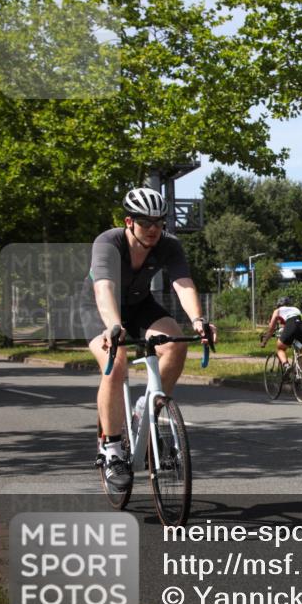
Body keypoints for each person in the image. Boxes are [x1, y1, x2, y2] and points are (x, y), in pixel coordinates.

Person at [82, 187, 216, 490]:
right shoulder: (108, 242)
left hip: (141, 304)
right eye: (145, 222)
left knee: (175, 343)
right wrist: (114, 325)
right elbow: (102, 287)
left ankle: (147, 408)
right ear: (129, 222)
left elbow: (183, 283)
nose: (154, 229)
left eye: (159, 222)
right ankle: (112, 450)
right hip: (101, 308)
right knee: (116, 365)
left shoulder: (168, 244)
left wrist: (198, 319)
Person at [260, 296, 302, 372]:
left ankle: (286, 366)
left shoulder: (277, 310)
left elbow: (271, 329)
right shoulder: (295, 309)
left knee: (280, 348)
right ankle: (300, 372)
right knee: (300, 348)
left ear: (278, 305)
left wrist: (265, 341)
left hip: (293, 325)